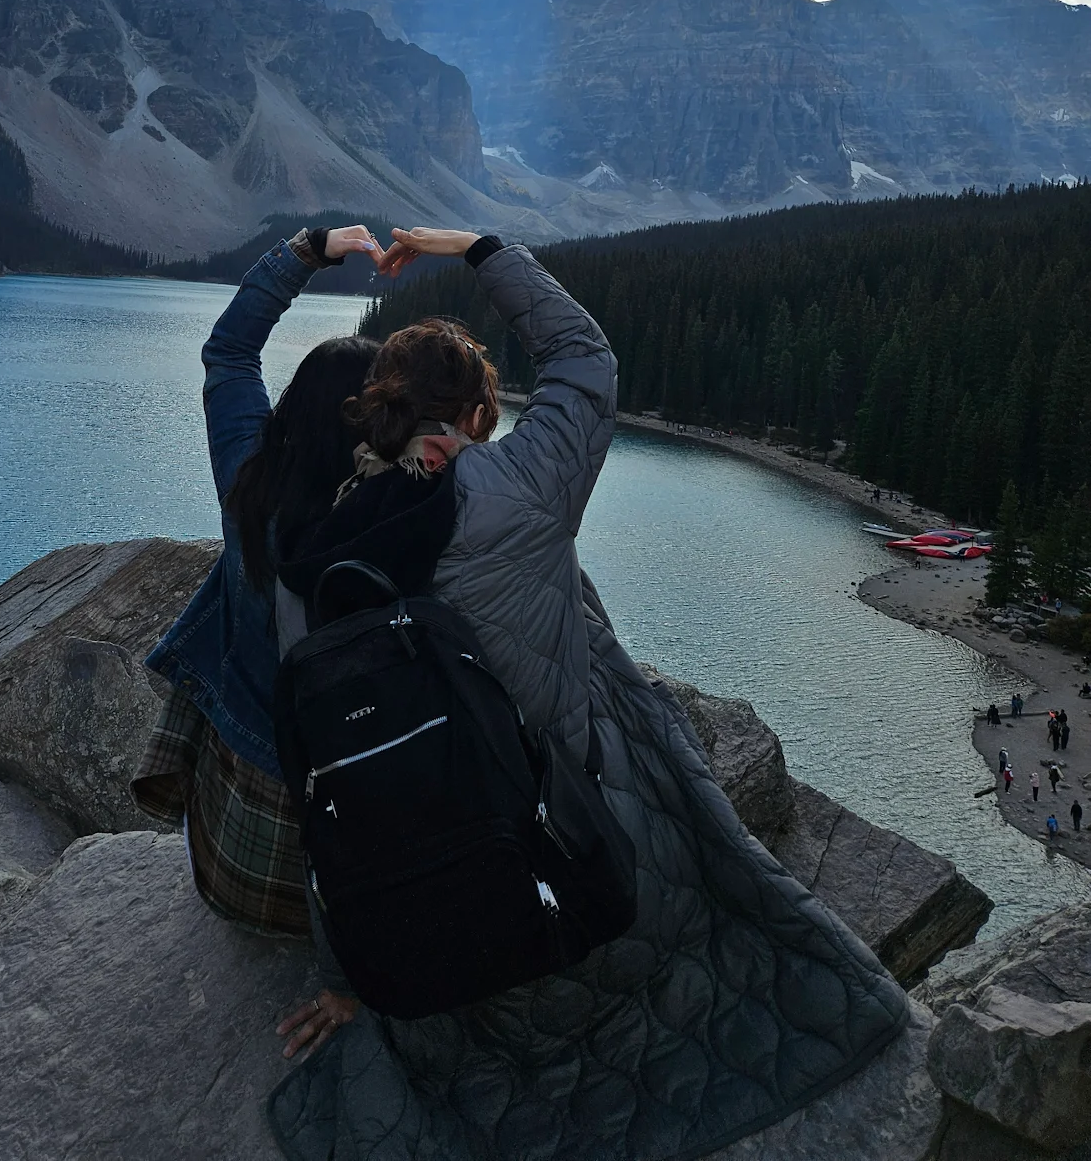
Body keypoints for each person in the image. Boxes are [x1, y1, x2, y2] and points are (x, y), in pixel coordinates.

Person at [266, 228, 910, 1159]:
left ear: (380, 417)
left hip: (428, 909)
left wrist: (348, 978)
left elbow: (322, 788)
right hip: (585, 859)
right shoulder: (525, 485)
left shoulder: (312, 564)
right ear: (479, 416)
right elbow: (584, 356)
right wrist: (480, 248)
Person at [130, 223, 383, 936]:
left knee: (229, 598)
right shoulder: (396, 529)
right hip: (334, 892)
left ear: (294, 410)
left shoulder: (247, 478)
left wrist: (305, 250)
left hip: (231, 866)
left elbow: (230, 351)